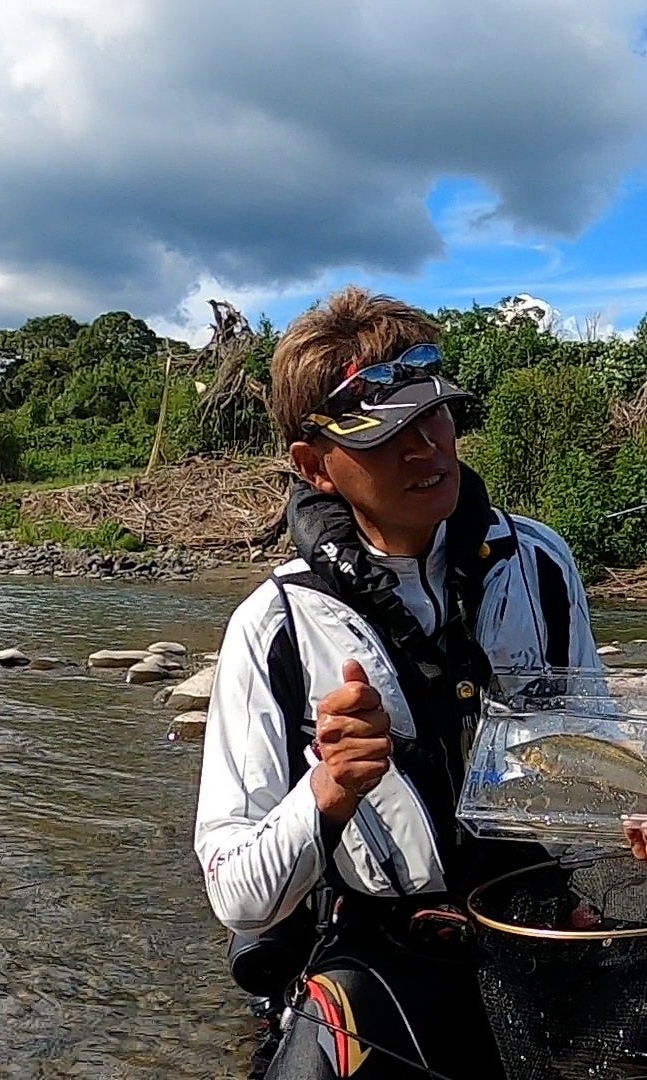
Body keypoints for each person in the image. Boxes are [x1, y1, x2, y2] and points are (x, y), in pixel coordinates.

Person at [193, 287, 606, 1079]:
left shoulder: (544, 566)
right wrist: (329, 787)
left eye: (435, 416)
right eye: (386, 437)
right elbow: (239, 898)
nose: (427, 450)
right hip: (379, 948)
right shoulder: (271, 627)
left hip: (533, 922)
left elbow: (596, 750)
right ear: (314, 466)